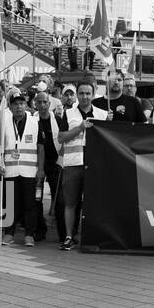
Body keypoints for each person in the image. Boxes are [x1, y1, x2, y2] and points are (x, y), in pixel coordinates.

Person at [0, 90, 43, 247]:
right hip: (9, 169)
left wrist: (41, 169)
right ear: (10, 106)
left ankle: (29, 235)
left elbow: (40, 147)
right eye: (15, 104)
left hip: (29, 170)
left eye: (22, 103)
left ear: (26, 105)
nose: (19, 107)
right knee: (10, 203)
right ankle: (9, 233)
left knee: (30, 204)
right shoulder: (4, 123)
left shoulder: (35, 122)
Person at [57, 82, 95, 250]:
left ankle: (91, 236)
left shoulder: (102, 113)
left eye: (88, 93)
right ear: (77, 95)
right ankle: (69, 236)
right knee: (70, 202)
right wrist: (80, 127)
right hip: (73, 164)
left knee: (93, 202)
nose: (85, 96)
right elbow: (61, 138)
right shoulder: (69, 113)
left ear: (93, 94)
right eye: (81, 93)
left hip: (95, 165)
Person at [33, 90, 63, 243]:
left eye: (45, 102)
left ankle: (62, 232)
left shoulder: (58, 119)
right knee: (37, 198)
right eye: (39, 102)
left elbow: (64, 140)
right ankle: (40, 229)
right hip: (37, 165)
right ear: (35, 104)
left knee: (58, 198)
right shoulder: (31, 120)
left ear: (50, 104)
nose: (42, 105)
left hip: (55, 163)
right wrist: (40, 168)